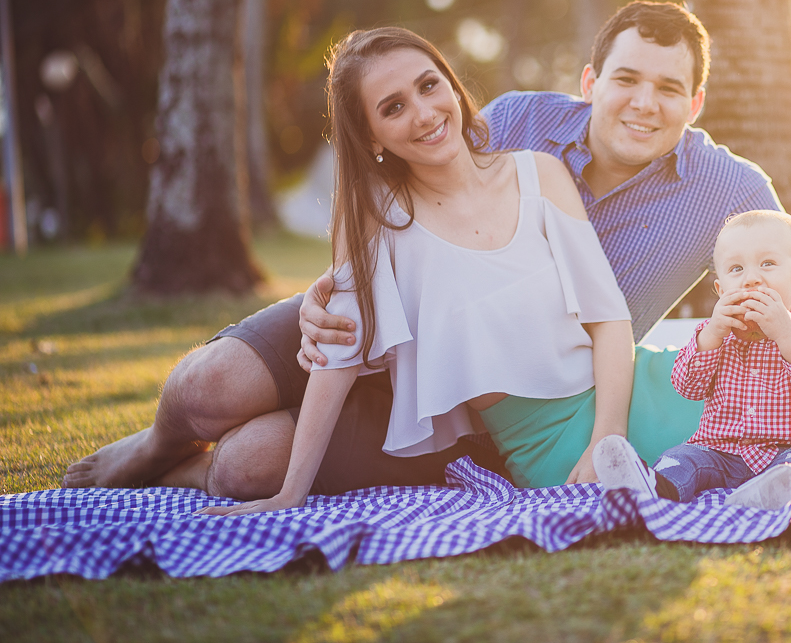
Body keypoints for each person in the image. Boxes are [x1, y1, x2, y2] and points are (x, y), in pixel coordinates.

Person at [63, 1, 791, 497]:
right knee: (210, 386)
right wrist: (332, 288)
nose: (643, 103)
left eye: (666, 88)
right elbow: (412, 187)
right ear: (590, 82)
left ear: (696, 100)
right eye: (625, 79)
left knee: (247, 461)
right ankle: (151, 447)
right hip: (391, 314)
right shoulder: (516, 125)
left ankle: (196, 474)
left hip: (484, 392)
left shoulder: (727, 189)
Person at [197, 27, 650, 514]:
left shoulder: (538, 174)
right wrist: (290, 494)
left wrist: (608, 440)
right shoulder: (380, 217)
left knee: (740, 428)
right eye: (393, 107)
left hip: (631, 402)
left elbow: (608, 317)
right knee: (211, 406)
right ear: (371, 135)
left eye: (429, 85)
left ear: (453, 86)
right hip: (538, 445)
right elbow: (339, 354)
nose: (425, 113)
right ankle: (161, 455)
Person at [593, 210, 791, 510]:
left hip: (786, 450)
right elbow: (687, 387)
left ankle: (775, 492)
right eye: (736, 269)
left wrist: (787, 335)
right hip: (719, 451)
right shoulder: (713, 335)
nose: (751, 279)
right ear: (721, 290)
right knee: (683, 458)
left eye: (768, 264)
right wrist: (710, 336)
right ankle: (654, 487)